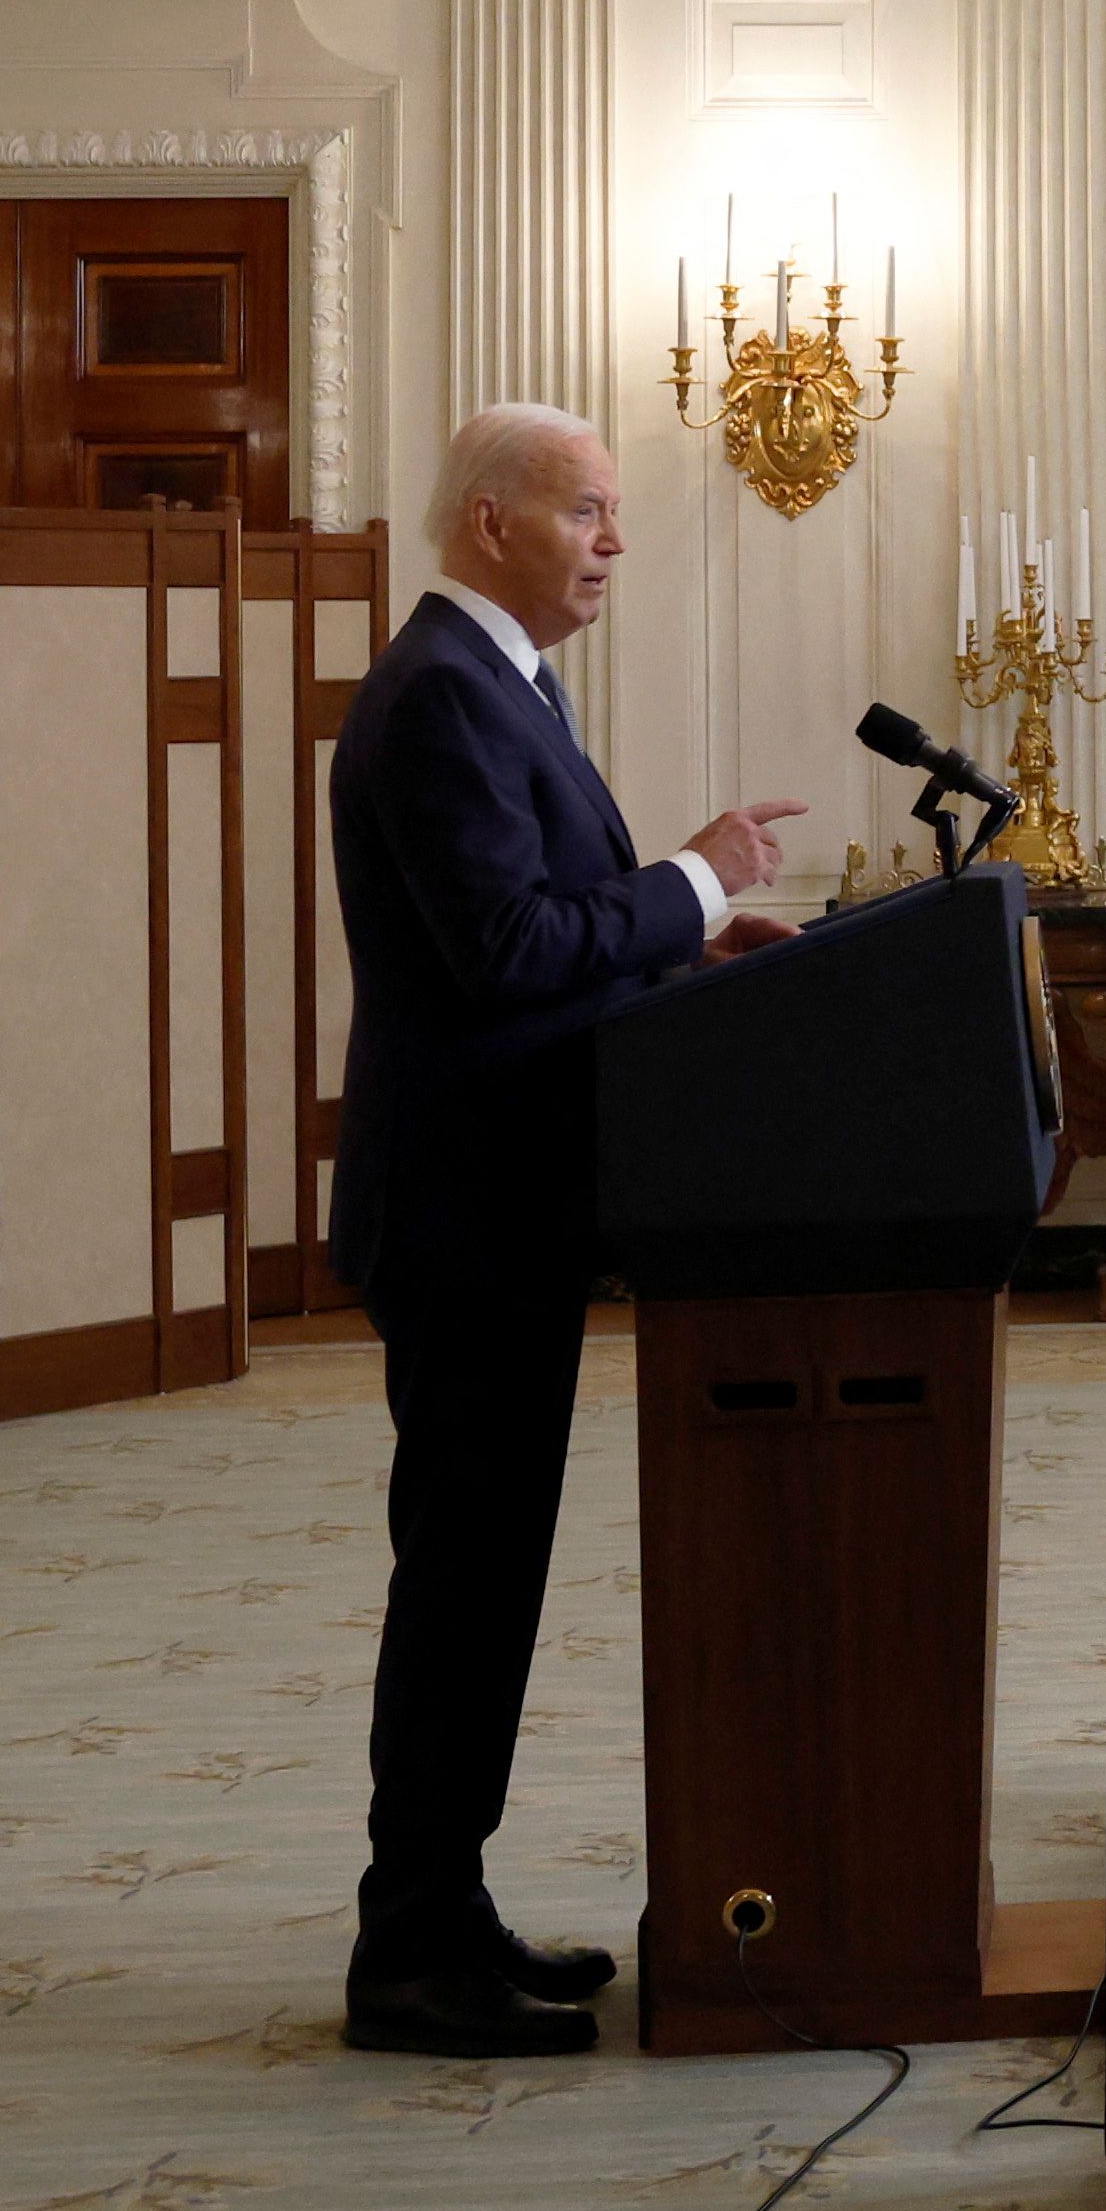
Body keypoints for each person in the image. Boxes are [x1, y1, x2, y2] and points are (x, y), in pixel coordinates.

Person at [330, 403, 805, 2060]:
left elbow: (544, 949)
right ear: (487, 522)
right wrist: (688, 874)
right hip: (463, 1214)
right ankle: (407, 1946)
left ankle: (443, 1906)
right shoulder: (445, 697)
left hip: (507, 1202)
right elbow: (505, 949)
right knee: (463, 1581)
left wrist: (689, 948)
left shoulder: (499, 686)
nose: (612, 541)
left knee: (487, 1578)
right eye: (587, 513)